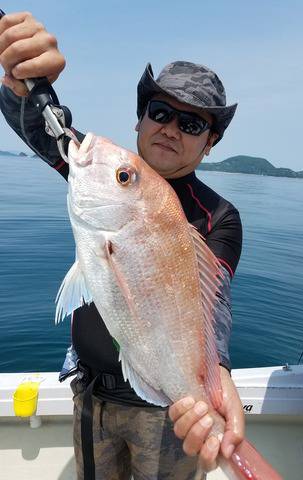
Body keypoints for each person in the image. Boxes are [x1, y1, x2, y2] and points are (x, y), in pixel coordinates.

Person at [0, 11, 245, 480]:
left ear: (210, 143)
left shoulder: (219, 217)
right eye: (161, 112)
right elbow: (41, 126)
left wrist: (218, 376)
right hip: (91, 396)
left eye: (192, 124)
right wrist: (21, 83)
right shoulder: (106, 179)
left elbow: (212, 306)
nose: (171, 128)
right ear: (140, 119)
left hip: (167, 415)